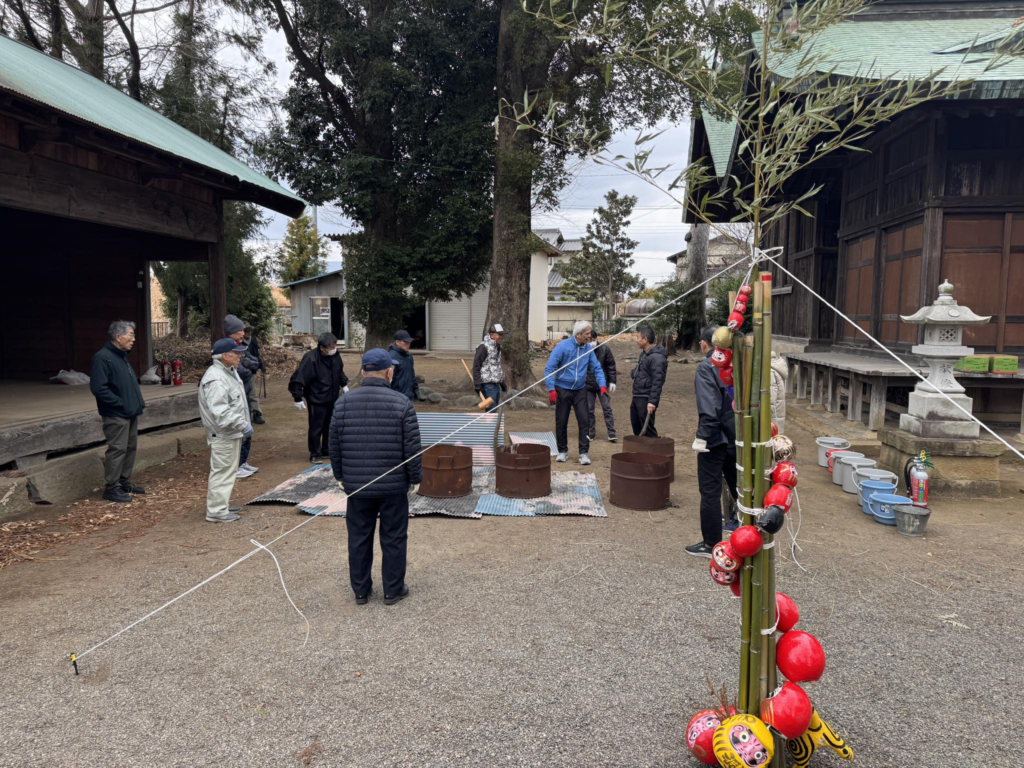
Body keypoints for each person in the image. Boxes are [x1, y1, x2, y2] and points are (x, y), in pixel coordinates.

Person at [329, 348, 423, 606]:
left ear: (363, 372)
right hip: (393, 487)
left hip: (358, 486)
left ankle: (361, 590)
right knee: (394, 537)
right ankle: (392, 589)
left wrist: (340, 475)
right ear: (389, 373)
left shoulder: (343, 403)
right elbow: (412, 448)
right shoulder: (402, 402)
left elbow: (334, 445)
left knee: (359, 537)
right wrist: (415, 477)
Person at [686, 324, 739, 557]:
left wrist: (702, 438)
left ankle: (711, 543)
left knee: (710, 491)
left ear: (704, 344)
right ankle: (752, 536)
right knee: (741, 489)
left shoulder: (707, 367)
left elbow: (710, 408)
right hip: (739, 435)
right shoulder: (738, 365)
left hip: (715, 439)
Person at [89, 320, 146, 503]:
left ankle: (123, 481)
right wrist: (119, 403)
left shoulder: (121, 355)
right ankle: (112, 487)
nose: (133, 339)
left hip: (130, 411)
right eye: (131, 335)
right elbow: (99, 388)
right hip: (116, 413)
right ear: (118, 336)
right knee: (118, 449)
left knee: (130, 447)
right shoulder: (102, 357)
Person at [198, 338, 253, 523]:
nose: (240, 356)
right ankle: (216, 511)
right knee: (222, 471)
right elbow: (220, 412)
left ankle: (222, 504)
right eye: (236, 353)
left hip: (229, 432)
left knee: (228, 470)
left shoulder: (227, 373)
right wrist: (242, 424)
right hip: (223, 433)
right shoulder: (216, 379)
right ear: (225, 356)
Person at [544, 320, 607, 465]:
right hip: (562, 389)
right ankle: (562, 451)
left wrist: (602, 385)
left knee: (585, 420)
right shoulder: (562, 347)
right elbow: (549, 369)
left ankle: (584, 453)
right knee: (561, 421)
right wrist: (551, 388)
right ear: (578, 335)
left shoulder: (588, 349)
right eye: (587, 333)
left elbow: (597, 368)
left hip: (580, 389)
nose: (590, 336)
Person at [289, 331, 349, 463]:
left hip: (332, 396)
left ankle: (326, 449)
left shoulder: (335, 356)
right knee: (316, 426)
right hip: (316, 398)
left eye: (335, 346)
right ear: (322, 348)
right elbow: (298, 378)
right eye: (331, 347)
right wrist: (297, 397)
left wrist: (344, 384)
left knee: (330, 425)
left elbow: (339, 371)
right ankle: (315, 453)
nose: (334, 349)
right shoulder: (311, 359)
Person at [224, 315, 259, 478]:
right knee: (239, 431)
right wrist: (248, 368)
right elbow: (241, 371)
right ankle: (236, 465)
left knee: (247, 429)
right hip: (235, 395)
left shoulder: (241, 345)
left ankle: (243, 461)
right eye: (240, 330)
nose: (243, 333)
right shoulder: (226, 346)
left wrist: (249, 366)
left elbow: (254, 361)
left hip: (244, 392)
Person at [630, 324, 668, 438]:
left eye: (638, 337)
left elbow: (658, 380)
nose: (636, 340)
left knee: (648, 429)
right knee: (636, 425)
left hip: (646, 397)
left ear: (645, 339)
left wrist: (652, 401)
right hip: (638, 395)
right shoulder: (644, 354)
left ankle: (654, 448)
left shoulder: (656, 358)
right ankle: (641, 448)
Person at [585, 328, 617, 443]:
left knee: (606, 408)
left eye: (593, 339)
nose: (591, 342)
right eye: (589, 340)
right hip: (587, 385)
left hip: (602, 384)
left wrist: (612, 381)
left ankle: (611, 432)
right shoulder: (583, 350)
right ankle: (591, 431)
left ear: (596, 339)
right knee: (589, 409)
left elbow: (611, 366)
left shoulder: (604, 349)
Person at [471, 324, 507, 412]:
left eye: (502, 335)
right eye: (499, 334)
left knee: (494, 411)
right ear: (492, 335)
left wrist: (501, 381)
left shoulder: (497, 347)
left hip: (496, 385)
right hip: (487, 386)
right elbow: (476, 366)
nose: (501, 337)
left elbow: (495, 366)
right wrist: (477, 383)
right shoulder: (483, 347)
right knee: (491, 412)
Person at [243, 323, 267, 424]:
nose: (249, 333)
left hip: (251, 371)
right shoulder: (237, 342)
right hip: (240, 371)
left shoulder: (253, 340)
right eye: (246, 331)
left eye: (250, 331)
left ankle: (257, 414)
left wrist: (261, 366)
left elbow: (256, 355)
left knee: (252, 393)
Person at [389, 330, 420, 402]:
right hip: (396, 398)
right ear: (397, 342)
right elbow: (388, 379)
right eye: (405, 342)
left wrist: (416, 390)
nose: (408, 344)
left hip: (409, 397)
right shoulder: (391, 357)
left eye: (409, 342)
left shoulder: (409, 356)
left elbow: (412, 374)